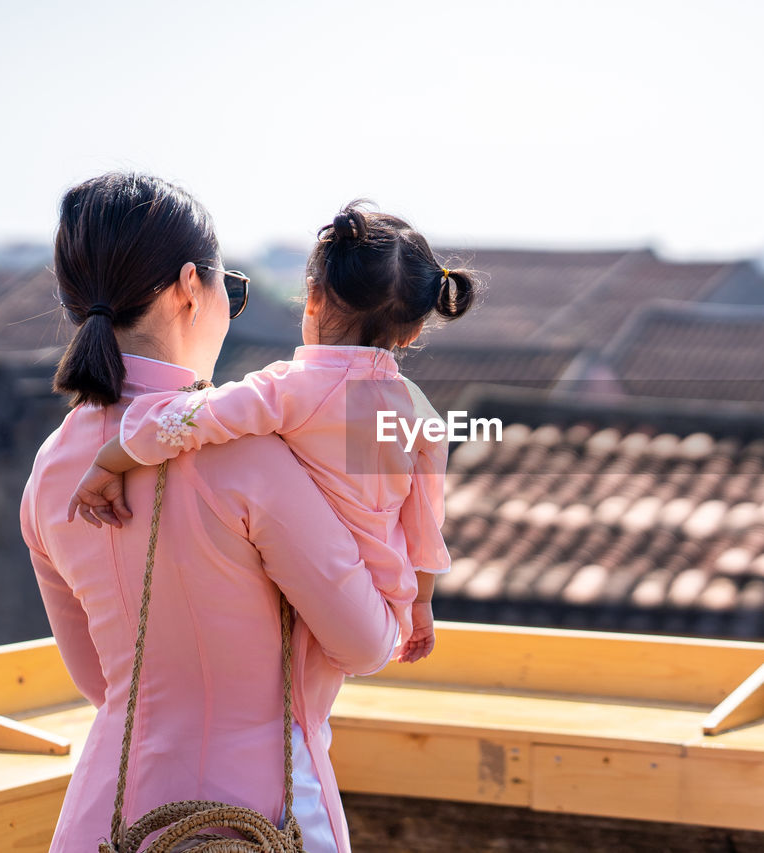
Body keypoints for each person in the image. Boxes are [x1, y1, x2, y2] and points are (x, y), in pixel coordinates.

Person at [20, 172, 397, 852]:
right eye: (234, 287)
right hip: (256, 817)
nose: (231, 305)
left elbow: (99, 680)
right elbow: (367, 643)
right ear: (190, 287)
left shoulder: (51, 468)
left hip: (103, 820)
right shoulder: (246, 453)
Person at [67, 200, 480, 664]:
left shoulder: (293, 388)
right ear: (413, 330)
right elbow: (425, 524)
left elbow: (191, 421)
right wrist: (421, 604)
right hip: (387, 601)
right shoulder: (421, 414)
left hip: (326, 601)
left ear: (313, 297)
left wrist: (111, 457)